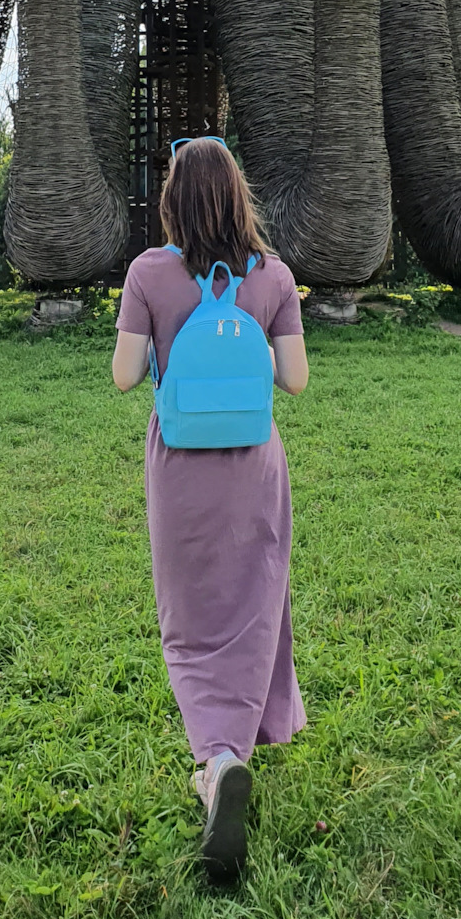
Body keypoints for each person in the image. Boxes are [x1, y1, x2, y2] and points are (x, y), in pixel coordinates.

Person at [111, 136, 310, 880]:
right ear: (237, 196)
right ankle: (238, 745)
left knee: (189, 619)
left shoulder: (148, 274)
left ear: (173, 199)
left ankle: (217, 759)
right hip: (255, 469)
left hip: (179, 470)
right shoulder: (275, 278)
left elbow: (127, 377)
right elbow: (295, 381)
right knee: (255, 603)